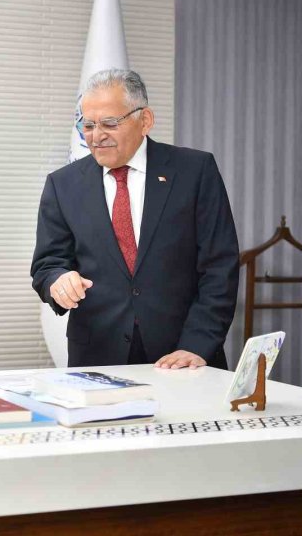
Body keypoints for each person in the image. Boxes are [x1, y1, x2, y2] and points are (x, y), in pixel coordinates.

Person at [31, 69, 239, 370]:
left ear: (145, 120)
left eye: (109, 123)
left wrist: (197, 345)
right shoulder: (63, 184)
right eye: (87, 125)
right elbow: (47, 264)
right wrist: (58, 281)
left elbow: (220, 267)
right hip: (98, 356)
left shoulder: (195, 171)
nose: (96, 136)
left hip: (184, 354)